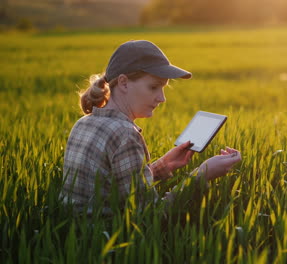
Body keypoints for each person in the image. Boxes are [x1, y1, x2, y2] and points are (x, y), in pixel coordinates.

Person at [61, 40, 241, 215]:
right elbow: (150, 215)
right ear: (123, 82)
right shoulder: (125, 135)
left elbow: (113, 188)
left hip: (75, 236)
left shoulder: (83, 123)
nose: (162, 98)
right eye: (154, 87)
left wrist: (163, 165)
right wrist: (202, 175)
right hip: (110, 240)